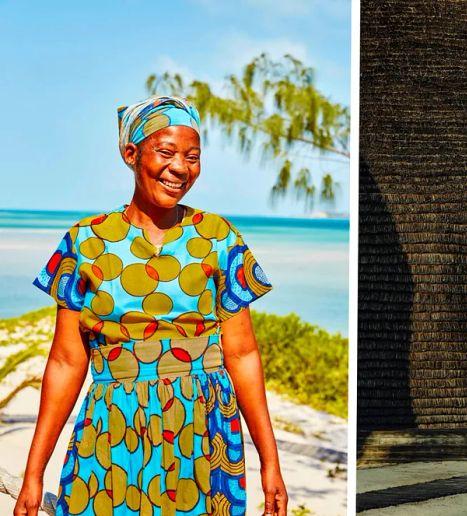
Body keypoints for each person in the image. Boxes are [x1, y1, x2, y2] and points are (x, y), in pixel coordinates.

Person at [13, 95, 288, 516]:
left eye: (193, 157)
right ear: (130, 153)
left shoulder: (218, 237)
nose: (181, 168)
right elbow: (68, 362)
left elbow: (242, 352)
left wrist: (271, 463)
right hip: (110, 428)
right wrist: (34, 474)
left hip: (204, 427)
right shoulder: (85, 242)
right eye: (166, 152)